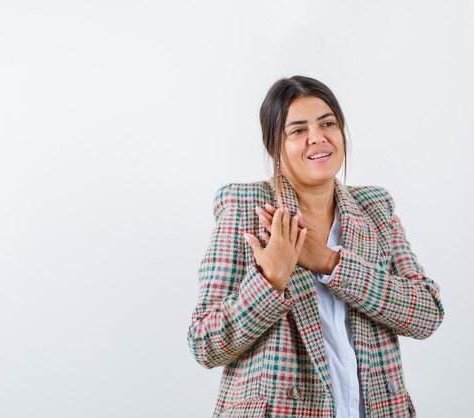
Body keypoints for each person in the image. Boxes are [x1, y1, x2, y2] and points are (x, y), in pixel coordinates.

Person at [187, 75, 444, 417]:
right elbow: (205, 344)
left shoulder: (374, 207)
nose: (317, 138)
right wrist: (271, 279)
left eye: (328, 124)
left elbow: (426, 313)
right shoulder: (246, 206)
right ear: (274, 146)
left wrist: (329, 262)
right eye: (297, 130)